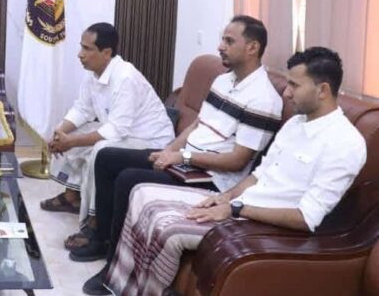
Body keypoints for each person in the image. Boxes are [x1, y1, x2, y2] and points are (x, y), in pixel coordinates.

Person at [87, 47, 367, 296]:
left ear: (323, 90)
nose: (287, 93)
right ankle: (121, 282)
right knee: (141, 193)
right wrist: (226, 197)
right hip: (242, 205)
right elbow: (258, 175)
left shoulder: (345, 144)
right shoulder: (296, 124)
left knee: (166, 226)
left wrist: (235, 209)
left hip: (261, 225)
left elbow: (306, 218)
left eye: (295, 85)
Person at [70, 15, 283, 266]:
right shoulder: (224, 80)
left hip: (211, 179)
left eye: (229, 41)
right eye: (222, 40)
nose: (220, 47)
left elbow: (237, 161)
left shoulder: (263, 99)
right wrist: (169, 150)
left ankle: (114, 265)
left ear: (252, 47)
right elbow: (196, 124)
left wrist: (182, 156)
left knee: (128, 178)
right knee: (106, 157)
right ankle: (102, 239)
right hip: (185, 162)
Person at [40, 23, 175, 229]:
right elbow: (83, 109)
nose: (80, 54)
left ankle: (96, 220)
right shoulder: (93, 72)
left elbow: (117, 129)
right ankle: (72, 197)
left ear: (106, 53)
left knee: (100, 150)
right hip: (125, 133)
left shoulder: (126, 77)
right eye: (81, 47)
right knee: (72, 133)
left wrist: (71, 142)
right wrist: (60, 133)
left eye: (87, 49)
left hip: (151, 141)